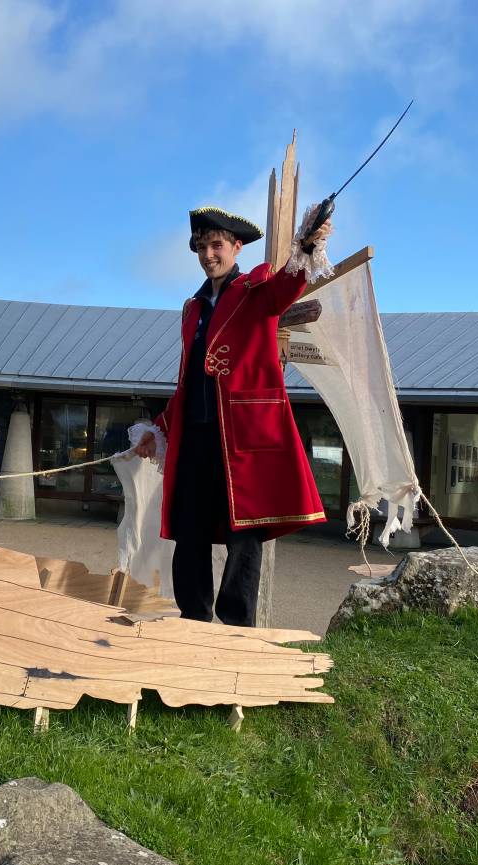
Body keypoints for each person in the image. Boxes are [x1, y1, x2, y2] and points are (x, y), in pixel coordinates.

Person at [132, 205, 331, 626]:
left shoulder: (257, 291)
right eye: (201, 247)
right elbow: (187, 379)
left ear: (236, 247)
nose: (208, 255)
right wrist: (160, 428)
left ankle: (238, 627)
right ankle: (194, 619)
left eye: (216, 245)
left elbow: (291, 283)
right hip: (196, 437)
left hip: (242, 436)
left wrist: (309, 243)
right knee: (190, 533)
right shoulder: (192, 309)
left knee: (246, 535)